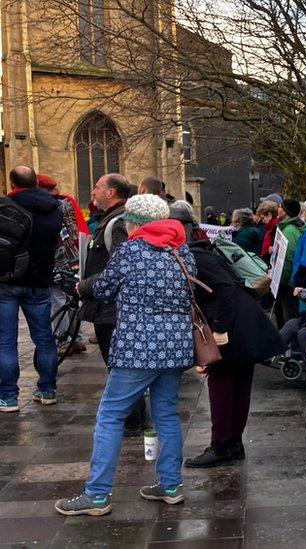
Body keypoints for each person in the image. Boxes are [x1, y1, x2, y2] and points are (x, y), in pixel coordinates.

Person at [56, 194, 195, 516]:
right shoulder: (181, 251)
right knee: (167, 415)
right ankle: (171, 485)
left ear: (133, 223)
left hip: (138, 347)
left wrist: (80, 287)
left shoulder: (131, 250)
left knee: (110, 416)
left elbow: (104, 288)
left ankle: (98, 493)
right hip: (175, 346)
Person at [170, 202, 285, 468]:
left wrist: (219, 328)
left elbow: (223, 289)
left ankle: (221, 445)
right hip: (243, 320)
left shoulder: (195, 255)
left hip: (231, 324)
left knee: (221, 386)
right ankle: (233, 442)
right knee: (238, 385)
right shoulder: (203, 250)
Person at [80, 174, 148, 436]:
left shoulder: (118, 222)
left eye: (97, 187)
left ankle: (131, 423)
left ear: (110, 192)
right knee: (121, 366)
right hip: (107, 307)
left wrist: (84, 285)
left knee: (121, 367)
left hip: (113, 309)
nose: (93, 192)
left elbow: (122, 267)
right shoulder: (112, 218)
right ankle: (134, 419)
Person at [0, 167, 62, 412]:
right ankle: (47, 389)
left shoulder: (6, 206)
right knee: (45, 339)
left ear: (12, 183)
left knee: (6, 342)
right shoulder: (54, 207)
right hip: (41, 281)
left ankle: (8, 396)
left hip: (8, 281)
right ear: (36, 182)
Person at [38, 174, 89, 357]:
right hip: (71, 256)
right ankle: (77, 338)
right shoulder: (67, 202)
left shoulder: (43, 205)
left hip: (54, 257)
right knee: (71, 297)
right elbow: (76, 231)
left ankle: (63, 340)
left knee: (57, 299)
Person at [271, 199, 305, 326]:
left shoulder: (289, 231)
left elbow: (287, 258)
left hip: (287, 281)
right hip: (290, 279)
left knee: (289, 317)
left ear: (286, 212)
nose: (278, 209)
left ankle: (291, 344)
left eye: (280, 207)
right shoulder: (288, 228)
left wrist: (280, 281)